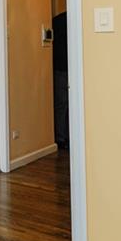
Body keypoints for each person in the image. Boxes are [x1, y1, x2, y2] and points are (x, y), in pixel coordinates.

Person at [52, 11, 69, 150]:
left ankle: (61, 137)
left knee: (61, 104)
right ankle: (64, 136)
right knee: (64, 104)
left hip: (59, 68)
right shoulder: (73, 20)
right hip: (64, 68)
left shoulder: (56, 21)